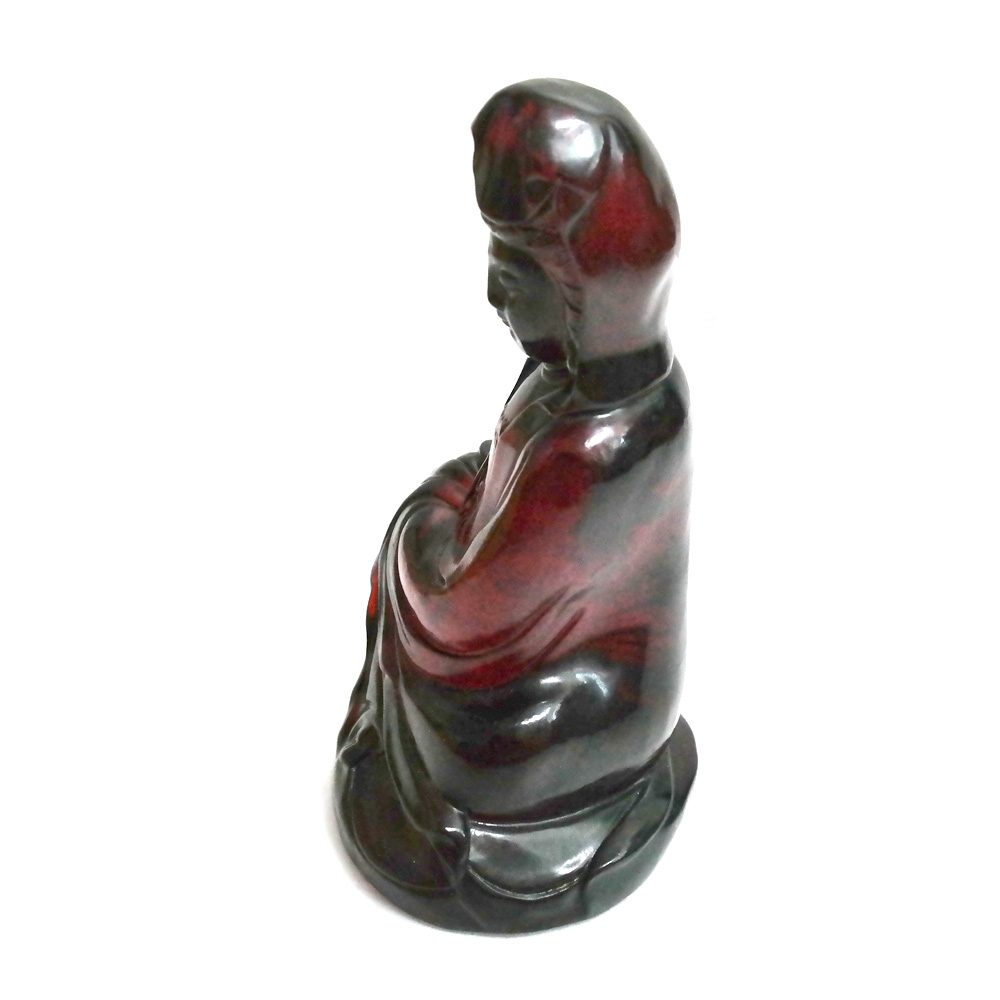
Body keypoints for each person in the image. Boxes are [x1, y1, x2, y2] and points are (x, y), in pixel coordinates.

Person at [335, 79, 696, 933]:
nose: (492, 297)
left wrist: (418, 520)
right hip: (542, 657)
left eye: (510, 275)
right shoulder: (566, 384)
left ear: (588, 291)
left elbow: (469, 614)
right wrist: (455, 504)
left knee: (473, 756)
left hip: (593, 706)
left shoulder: (602, 444)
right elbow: (494, 482)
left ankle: (529, 828)